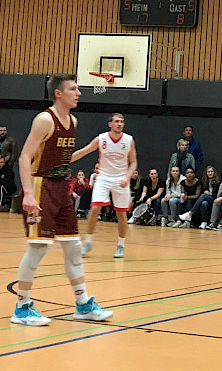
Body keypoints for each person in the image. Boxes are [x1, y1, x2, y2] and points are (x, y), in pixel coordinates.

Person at [12, 73, 112, 326]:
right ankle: (21, 307)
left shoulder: (73, 121)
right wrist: (27, 193)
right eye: (73, 89)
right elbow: (25, 157)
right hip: (40, 185)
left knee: (73, 248)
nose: (78, 93)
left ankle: (82, 304)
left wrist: (90, 150)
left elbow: (62, 159)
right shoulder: (45, 119)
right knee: (37, 248)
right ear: (59, 93)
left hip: (60, 187)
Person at [72, 113, 137, 259]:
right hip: (103, 178)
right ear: (110, 124)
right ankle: (88, 242)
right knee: (95, 208)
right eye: (116, 121)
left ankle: (121, 245)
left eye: (122, 121)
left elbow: (133, 162)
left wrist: (127, 177)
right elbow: (84, 151)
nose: (119, 124)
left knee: (121, 213)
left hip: (121, 179)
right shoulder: (101, 139)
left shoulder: (128, 140)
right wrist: (66, 159)